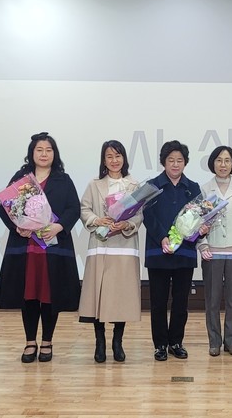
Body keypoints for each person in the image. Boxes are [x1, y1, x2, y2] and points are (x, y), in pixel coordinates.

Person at [0, 132, 81, 363]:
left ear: (55, 154)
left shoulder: (63, 179)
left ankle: (47, 341)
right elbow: (5, 208)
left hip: (53, 246)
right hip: (26, 246)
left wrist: (59, 226)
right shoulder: (22, 178)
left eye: (48, 150)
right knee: (29, 295)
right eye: (39, 150)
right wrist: (17, 227)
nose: (44, 154)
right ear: (32, 153)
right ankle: (30, 341)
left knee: (50, 295)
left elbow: (74, 209)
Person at [78, 140, 142, 364]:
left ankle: (117, 341)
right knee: (99, 294)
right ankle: (99, 341)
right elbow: (84, 209)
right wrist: (97, 220)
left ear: (124, 158)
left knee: (120, 296)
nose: (114, 160)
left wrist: (127, 224)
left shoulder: (134, 185)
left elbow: (139, 214)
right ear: (103, 160)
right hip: (101, 245)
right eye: (109, 156)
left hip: (124, 247)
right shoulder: (94, 184)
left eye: (118, 156)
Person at [143, 140, 202, 361]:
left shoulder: (193, 188)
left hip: (185, 252)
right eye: (171, 160)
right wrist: (162, 237)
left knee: (181, 302)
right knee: (158, 302)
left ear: (185, 163)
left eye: (179, 160)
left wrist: (201, 230)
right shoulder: (151, 186)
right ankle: (160, 345)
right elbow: (148, 216)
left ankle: (176, 342)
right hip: (158, 252)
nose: (175, 164)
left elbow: (199, 217)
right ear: (163, 162)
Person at [199, 145, 232, 357]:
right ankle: (214, 342)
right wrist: (203, 245)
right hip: (211, 252)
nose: (223, 164)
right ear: (213, 163)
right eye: (219, 160)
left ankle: (231, 341)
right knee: (212, 301)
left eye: (227, 160)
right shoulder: (205, 189)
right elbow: (197, 221)